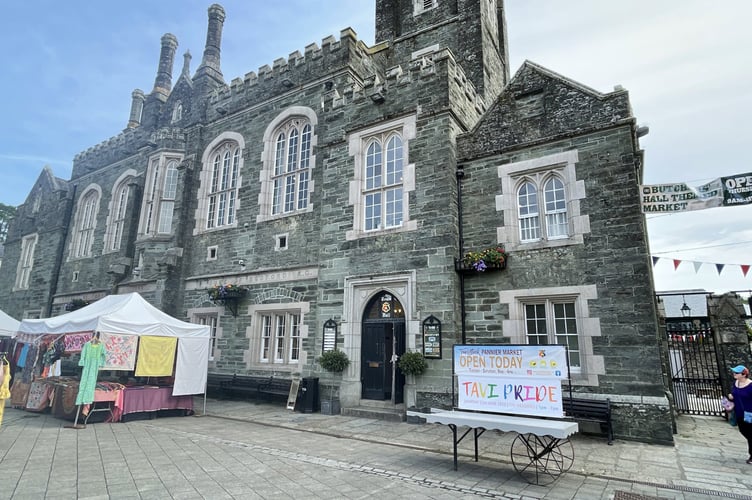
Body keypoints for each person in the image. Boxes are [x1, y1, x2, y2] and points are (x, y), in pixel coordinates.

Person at [728, 364, 752, 464]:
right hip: (739, 412)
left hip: (750, 413)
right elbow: (734, 394)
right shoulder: (736, 383)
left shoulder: (751, 385)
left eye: (736, 373)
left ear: (743, 374)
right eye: (734, 372)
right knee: (743, 430)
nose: (734, 374)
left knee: (750, 433)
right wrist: (731, 396)